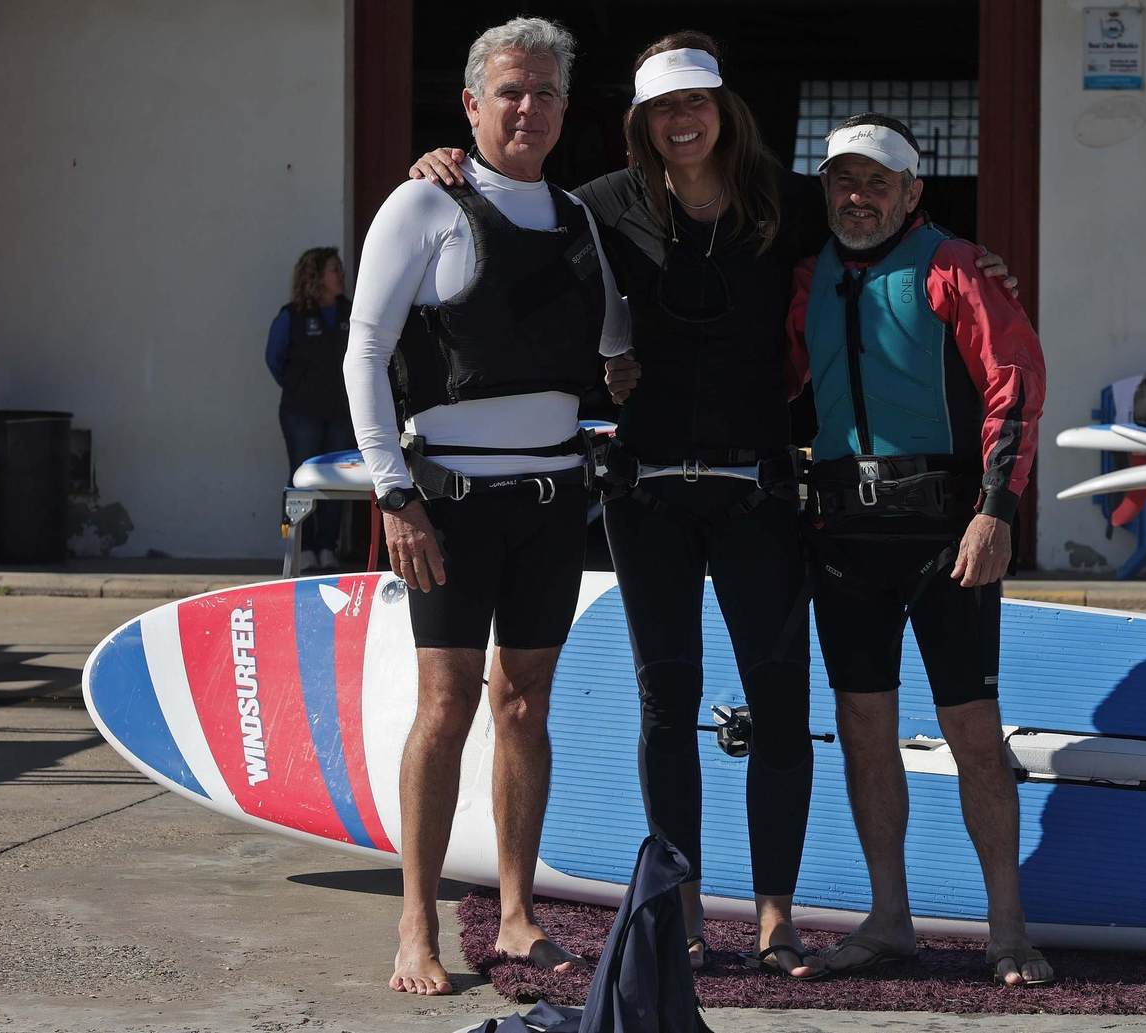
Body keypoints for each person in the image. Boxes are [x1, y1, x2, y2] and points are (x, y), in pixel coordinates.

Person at [410, 34, 1017, 982]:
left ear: (722, 108)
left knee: (779, 705)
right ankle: (681, 903)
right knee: (668, 704)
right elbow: (510, 216)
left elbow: (886, 235)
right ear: (641, 121)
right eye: (662, 108)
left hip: (761, 491)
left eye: (696, 102)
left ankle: (774, 911)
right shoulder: (599, 206)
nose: (681, 120)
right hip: (644, 490)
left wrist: (983, 269)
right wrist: (442, 165)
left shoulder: (787, 202)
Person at [345, 17, 630, 995]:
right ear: (470, 104)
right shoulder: (423, 205)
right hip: (451, 505)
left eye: (546, 92)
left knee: (525, 704)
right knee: (445, 705)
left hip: (553, 502)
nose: (528, 107)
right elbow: (363, 353)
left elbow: (617, 342)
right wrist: (394, 492)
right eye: (509, 90)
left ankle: (515, 916)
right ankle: (416, 924)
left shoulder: (580, 217)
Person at [786, 113, 1053, 987]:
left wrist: (997, 510)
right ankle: (889, 916)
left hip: (947, 534)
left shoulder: (956, 266)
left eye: (875, 182)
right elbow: (767, 380)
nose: (856, 197)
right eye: (841, 182)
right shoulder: (807, 277)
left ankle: (1006, 927)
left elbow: (1015, 383)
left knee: (973, 731)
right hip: (843, 538)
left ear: (911, 191)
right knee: (864, 730)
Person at [266, 247, 354, 571]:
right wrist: (299, 389)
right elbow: (274, 360)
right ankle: (299, 545)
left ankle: (326, 547)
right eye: (334, 269)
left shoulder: (351, 312)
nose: (341, 274)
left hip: (342, 413)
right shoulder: (292, 316)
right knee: (302, 479)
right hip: (301, 413)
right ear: (315, 277)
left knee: (338, 481)